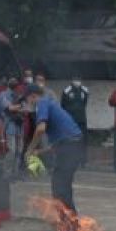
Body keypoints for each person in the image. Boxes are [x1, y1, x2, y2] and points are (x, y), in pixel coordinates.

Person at [24, 84, 84, 216]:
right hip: (74, 145)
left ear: (32, 96)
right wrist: (40, 151)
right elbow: (59, 141)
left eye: (27, 100)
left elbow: (40, 129)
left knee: (60, 186)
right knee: (63, 184)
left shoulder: (42, 103)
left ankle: (68, 222)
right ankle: (70, 219)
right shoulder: (50, 104)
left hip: (70, 146)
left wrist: (29, 149)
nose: (28, 104)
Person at [0, 77, 25, 179]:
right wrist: (19, 106)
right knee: (12, 150)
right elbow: (9, 108)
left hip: (19, 125)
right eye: (13, 82)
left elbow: (26, 109)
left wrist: (19, 107)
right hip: (10, 125)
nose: (15, 84)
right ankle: (7, 174)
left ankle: (16, 173)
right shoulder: (3, 95)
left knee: (19, 151)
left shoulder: (18, 95)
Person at [60, 76, 90, 165]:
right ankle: (70, 159)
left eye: (79, 80)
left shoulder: (85, 90)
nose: (77, 81)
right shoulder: (67, 90)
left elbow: (84, 103)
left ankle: (82, 161)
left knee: (82, 140)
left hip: (81, 120)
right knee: (71, 140)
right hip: (71, 120)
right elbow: (63, 105)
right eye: (76, 80)